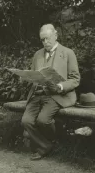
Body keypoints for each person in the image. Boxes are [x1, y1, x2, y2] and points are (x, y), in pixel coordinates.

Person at [22, 24, 80, 160]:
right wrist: (27, 77)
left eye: (47, 38)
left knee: (43, 120)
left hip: (56, 95)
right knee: (26, 121)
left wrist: (60, 86)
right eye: (42, 40)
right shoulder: (37, 55)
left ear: (55, 35)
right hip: (38, 94)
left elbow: (75, 79)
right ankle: (46, 145)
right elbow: (34, 74)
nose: (45, 42)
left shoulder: (68, 53)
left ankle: (51, 142)